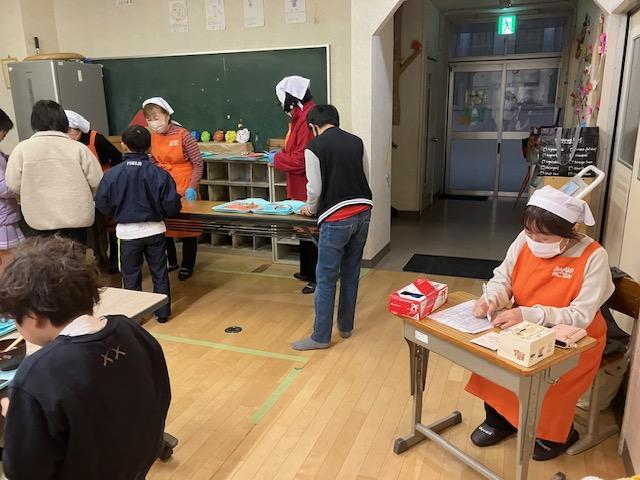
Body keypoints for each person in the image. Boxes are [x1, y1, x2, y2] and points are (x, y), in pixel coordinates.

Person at [0, 236, 171, 479]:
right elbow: (161, 396)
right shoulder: (130, 329)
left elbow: (23, 470)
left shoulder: (36, 376)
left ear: (33, 316)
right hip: (135, 465)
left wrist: (18, 419)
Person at [467, 185, 614, 461]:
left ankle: (556, 434)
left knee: (551, 382)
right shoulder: (524, 240)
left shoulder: (594, 256)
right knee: (496, 364)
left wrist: (528, 314)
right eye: (530, 232)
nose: (534, 240)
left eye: (543, 236)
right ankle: (499, 420)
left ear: (570, 230)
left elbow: (581, 316)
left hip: (574, 338)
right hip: (521, 326)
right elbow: (503, 277)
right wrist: (492, 298)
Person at [293, 105, 373, 351]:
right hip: (363, 211)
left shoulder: (314, 146)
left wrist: (309, 208)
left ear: (313, 127)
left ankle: (320, 337)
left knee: (326, 278)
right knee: (351, 272)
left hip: (336, 217)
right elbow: (365, 175)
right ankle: (345, 327)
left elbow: (315, 188)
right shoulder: (357, 142)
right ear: (335, 121)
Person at [96, 126, 181, 323]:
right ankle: (162, 314)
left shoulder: (112, 175)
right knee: (159, 273)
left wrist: (117, 213)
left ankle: (136, 317)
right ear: (150, 147)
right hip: (156, 230)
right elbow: (172, 205)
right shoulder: (160, 174)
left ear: (123, 146)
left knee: (130, 276)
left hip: (127, 233)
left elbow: (101, 203)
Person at [5, 100, 102, 244]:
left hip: (39, 219)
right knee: (75, 255)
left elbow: (13, 184)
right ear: (63, 121)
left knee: (45, 256)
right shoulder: (79, 148)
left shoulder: (22, 149)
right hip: (76, 218)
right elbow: (97, 182)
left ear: (34, 122)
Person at [142, 97, 203, 281]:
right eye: (149, 119)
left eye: (156, 117)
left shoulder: (184, 135)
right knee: (164, 225)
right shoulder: (151, 136)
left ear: (167, 115)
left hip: (185, 183)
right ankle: (171, 260)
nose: (154, 122)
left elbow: (198, 163)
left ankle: (188, 264)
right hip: (162, 184)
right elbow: (153, 160)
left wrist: (192, 187)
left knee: (187, 227)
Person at [268, 75, 318, 294]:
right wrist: (281, 154)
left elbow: (302, 160)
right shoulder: (301, 116)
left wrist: (277, 159)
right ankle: (306, 271)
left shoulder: (307, 118)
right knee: (303, 228)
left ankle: (316, 277)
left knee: (312, 231)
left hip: (307, 183)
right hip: (298, 183)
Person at [66, 109, 123, 273]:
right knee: (94, 225)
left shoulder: (96, 138)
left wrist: (112, 178)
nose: (66, 134)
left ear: (78, 129)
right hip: (82, 188)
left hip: (104, 184)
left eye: (69, 130)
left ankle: (115, 257)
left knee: (111, 224)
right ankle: (100, 256)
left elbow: (117, 156)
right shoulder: (66, 144)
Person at [0, 109, 24, 273]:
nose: (4, 136)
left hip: (5, 216)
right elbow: (3, 187)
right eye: (3, 131)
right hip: (3, 219)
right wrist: (21, 183)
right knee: (9, 264)